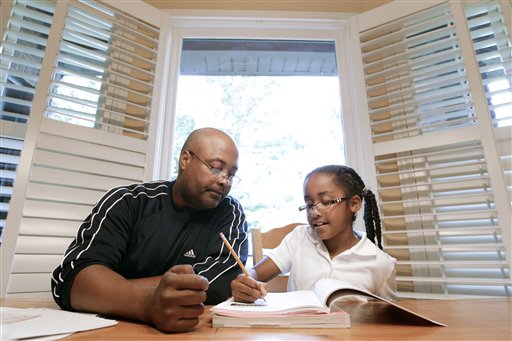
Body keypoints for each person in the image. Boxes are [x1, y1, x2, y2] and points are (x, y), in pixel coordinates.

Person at [51, 127, 248, 333]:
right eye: (216, 168)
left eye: (231, 175)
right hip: (104, 330)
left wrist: (111, 287)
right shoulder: (128, 202)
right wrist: (147, 303)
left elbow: (220, 280)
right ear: (185, 160)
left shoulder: (229, 212)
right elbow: (74, 279)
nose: (224, 180)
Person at [231, 164, 396, 303]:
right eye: (309, 204)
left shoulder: (381, 263)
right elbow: (255, 273)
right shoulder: (299, 238)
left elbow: (388, 320)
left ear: (354, 204)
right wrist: (246, 282)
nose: (315, 212)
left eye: (326, 202)